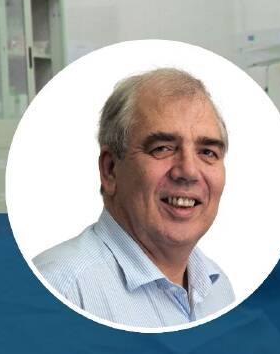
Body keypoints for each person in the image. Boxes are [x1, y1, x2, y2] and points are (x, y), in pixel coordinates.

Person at [34, 68, 234, 327]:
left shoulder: (217, 287)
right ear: (110, 170)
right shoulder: (60, 289)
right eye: (162, 148)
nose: (189, 171)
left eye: (207, 152)